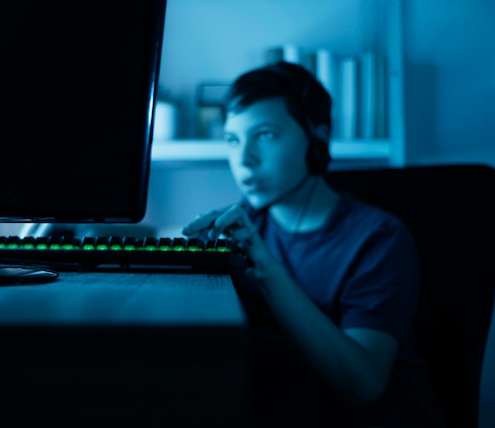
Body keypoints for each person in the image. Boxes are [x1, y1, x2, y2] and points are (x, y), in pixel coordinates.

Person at [182, 61, 445, 427]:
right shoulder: (241, 227)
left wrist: (267, 270)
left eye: (266, 135)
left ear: (317, 141)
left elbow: (363, 387)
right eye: (233, 139)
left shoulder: (377, 239)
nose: (244, 160)